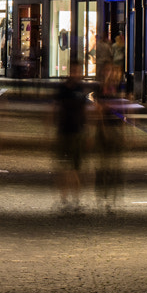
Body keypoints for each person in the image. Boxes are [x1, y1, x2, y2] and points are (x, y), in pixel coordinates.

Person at [54, 61, 93, 209]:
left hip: (77, 131)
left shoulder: (80, 90)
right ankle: (64, 197)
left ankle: (76, 198)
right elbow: (55, 107)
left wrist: (88, 132)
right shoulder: (63, 89)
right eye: (75, 71)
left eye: (79, 71)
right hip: (64, 131)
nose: (77, 74)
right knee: (65, 167)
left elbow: (85, 112)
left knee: (76, 168)